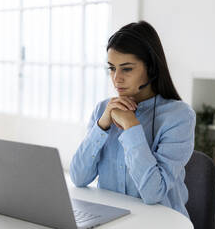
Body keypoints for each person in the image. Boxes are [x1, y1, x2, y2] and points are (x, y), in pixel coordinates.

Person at [70, 20, 196, 218]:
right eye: (112, 68)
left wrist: (131, 126)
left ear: (152, 69)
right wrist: (101, 126)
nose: (116, 78)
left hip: (162, 227)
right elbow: (78, 177)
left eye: (127, 69)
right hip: (113, 221)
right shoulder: (103, 110)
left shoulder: (179, 117)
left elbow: (153, 193)